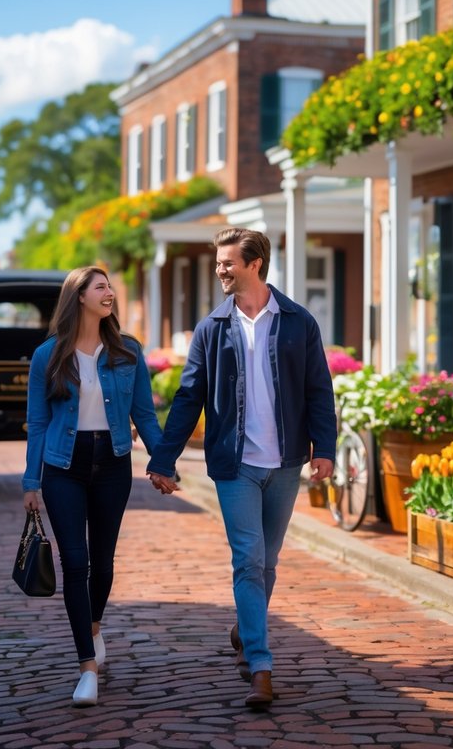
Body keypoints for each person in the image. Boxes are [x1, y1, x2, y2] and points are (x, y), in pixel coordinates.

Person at [145, 227, 336, 710]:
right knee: (248, 561)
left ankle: (244, 627)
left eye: (228, 262)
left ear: (255, 263)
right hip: (235, 466)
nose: (220, 270)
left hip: (287, 462)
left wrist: (325, 448)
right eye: (218, 263)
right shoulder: (212, 328)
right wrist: (164, 458)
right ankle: (261, 665)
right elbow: (189, 397)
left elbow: (319, 390)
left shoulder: (298, 322)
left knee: (267, 565)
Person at [22, 266, 162, 707]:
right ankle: (87, 666)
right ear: (79, 296)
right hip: (63, 467)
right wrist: (31, 481)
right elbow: (39, 423)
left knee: (103, 564)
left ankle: (94, 626)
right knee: (75, 564)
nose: (110, 293)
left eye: (110, 287)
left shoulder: (129, 353)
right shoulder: (48, 356)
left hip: (113, 464)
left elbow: (146, 416)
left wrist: (164, 461)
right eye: (100, 287)